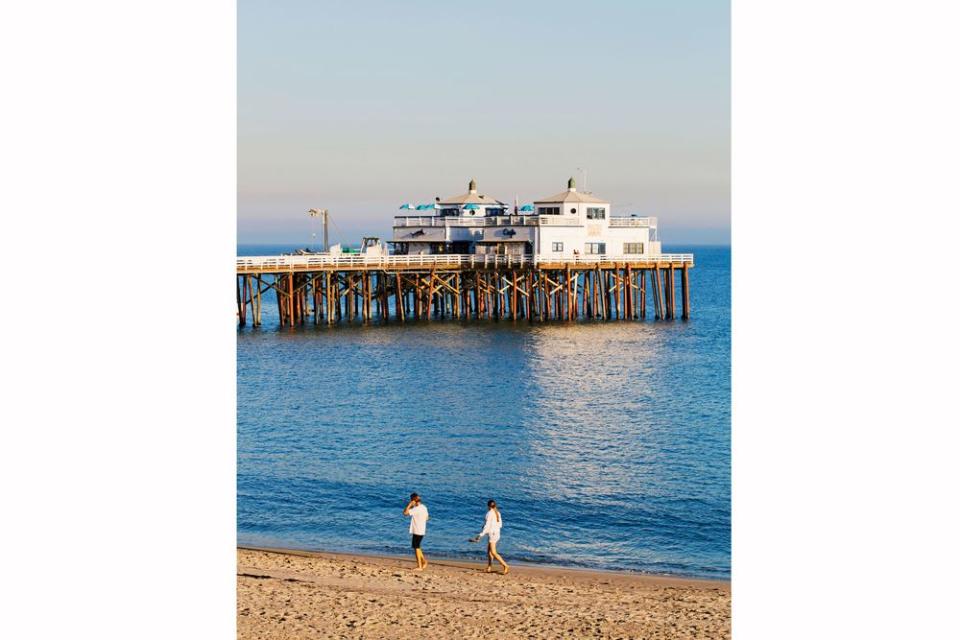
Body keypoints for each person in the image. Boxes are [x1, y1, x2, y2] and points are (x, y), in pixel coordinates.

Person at [469, 499, 509, 574]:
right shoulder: (497, 513)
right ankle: (489, 567)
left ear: (488, 506)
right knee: (489, 552)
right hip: (496, 533)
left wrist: (480, 535)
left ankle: (505, 565)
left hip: (493, 534)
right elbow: (500, 525)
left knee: (493, 552)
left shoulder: (489, 513)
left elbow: (487, 526)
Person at [403, 493, 429, 570]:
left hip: (417, 530)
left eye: (411, 500)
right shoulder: (424, 507)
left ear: (413, 500)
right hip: (422, 530)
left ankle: (420, 566)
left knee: (416, 547)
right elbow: (427, 518)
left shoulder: (416, 509)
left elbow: (405, 513)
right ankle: (424, 562)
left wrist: (409, 505)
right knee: (418, 547)